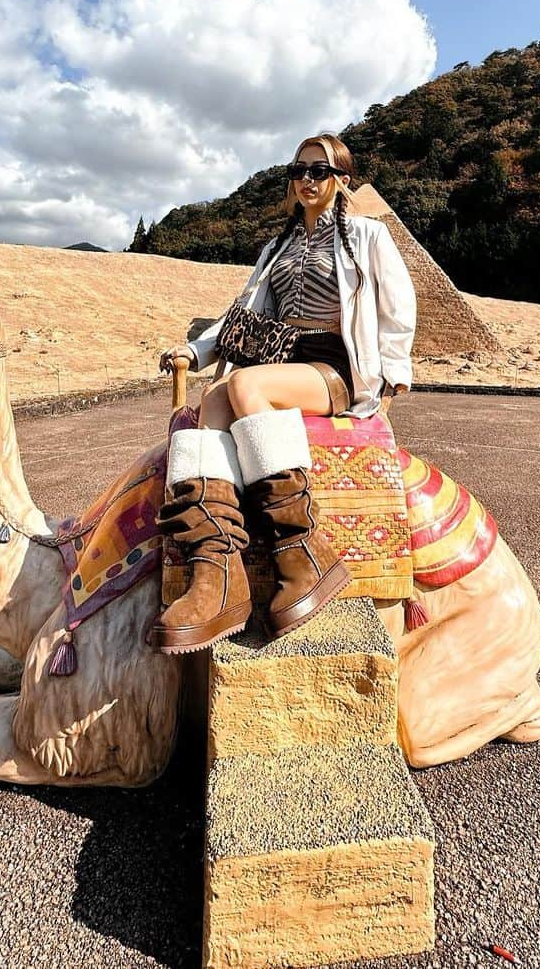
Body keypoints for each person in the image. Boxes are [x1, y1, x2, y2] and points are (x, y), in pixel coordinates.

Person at [150, 133, 417, 653]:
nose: (305, 180)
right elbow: (241, 311)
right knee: (214, 400)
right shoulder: (278, 246)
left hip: (336, 362)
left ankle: (301, 552)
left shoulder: (366, 235)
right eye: (297, 171)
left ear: (341, 181)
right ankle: (217, 566)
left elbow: (396, 305)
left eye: (318, 171)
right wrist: (196, 352)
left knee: (247, 384)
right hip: (283, 355)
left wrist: (393, 374)